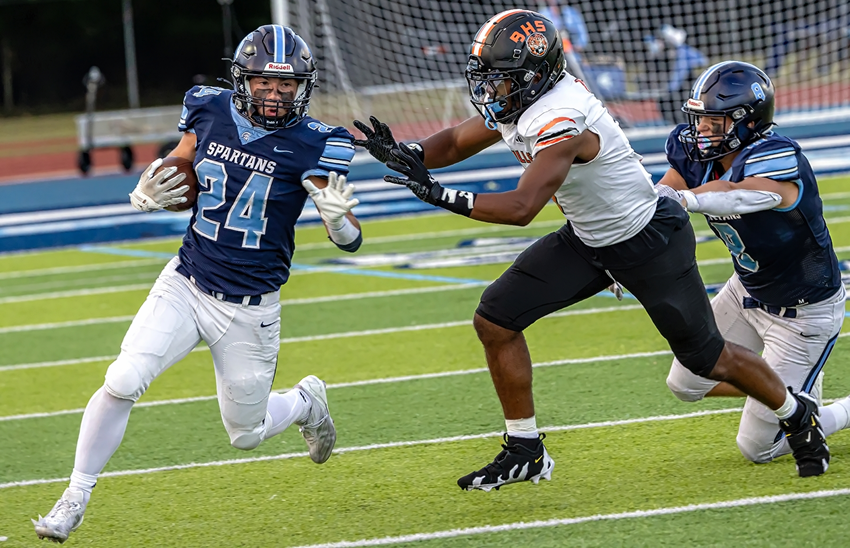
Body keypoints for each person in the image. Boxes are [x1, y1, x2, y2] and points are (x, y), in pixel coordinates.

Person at [354, 10, 830, 492]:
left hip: (648, 241)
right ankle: (525, 449)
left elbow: (522, 207)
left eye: (500, 82)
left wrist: (439, 195)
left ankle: (795, 412)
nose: (490, 93)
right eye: (488, 81)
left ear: (534, 76)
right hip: (589, 238)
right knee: (495, 319)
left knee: (707, 361)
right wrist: (407, 153)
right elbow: (457, 141)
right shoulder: (526, 97)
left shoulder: (562, 116)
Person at [32, 25, 361, 543]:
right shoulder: (208, 109)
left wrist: (339, 221)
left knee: (245, 435)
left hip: (250, 307)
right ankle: (75, 494)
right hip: (187, 280)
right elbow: (181, 164)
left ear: (303, 87)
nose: (274, 95)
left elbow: (348, 238)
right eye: (262, 83)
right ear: (240, 80)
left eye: (286, 86)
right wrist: (149, 186)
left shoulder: (316, 141)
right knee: (122, 379)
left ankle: (305, 402)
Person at [655, 61, 850, 468]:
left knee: (757, 448)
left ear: (748, 122)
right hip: (747, 290)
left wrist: (688, 200)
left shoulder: (777, 157)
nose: (703, 130)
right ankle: (789, 390)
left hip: (804, 312)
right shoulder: (694, 152)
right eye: (700, 119)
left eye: (715, 121)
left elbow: (740, 196)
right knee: (686, 382)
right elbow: (659, 200)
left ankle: (820, 407)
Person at [647, 25, 707, 125]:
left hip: (681, 91)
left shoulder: (683, 52)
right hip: (668, 92)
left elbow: (702, 60)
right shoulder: (660, 57)